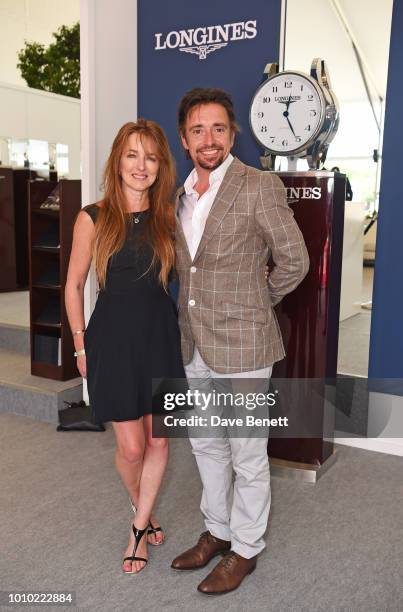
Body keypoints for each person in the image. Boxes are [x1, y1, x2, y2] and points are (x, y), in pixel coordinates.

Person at [171, 88, 309, 594]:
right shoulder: (181, 193)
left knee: (247, 451)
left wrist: (256, 301)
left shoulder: (258, 186)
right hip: (195, 344)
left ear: (233, 133)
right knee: (207, 444)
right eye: (198, 130)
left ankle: (246, 548)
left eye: (219, 129)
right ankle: (218, 531)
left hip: (245, 342)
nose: (209, 140)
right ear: (184, 139)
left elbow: (294, 261)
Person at [65, 119, 185, 574]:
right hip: (112, 338)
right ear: (117, 160)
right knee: (132, 448)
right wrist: (80, 346)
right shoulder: (92, 217)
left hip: (160, 336)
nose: (141, 166)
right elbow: (74, 285)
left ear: (160, 166)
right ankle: (142, 504)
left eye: (151, 157)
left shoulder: (169, 216)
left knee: (159, 439)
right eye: (132, 155)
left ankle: (137, 528)